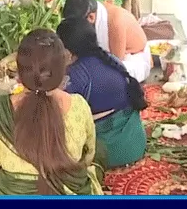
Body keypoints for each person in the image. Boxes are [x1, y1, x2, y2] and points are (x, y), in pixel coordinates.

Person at [0, 29, 104, 195]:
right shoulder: (79, 105)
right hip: (69, 190)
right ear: (62, 69)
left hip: (15, 194)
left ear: (20, 72)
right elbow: (88, 156)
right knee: (101, 150)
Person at [56, 17, 147, 168]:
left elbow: (58, 109)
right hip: (134, 141)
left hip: (110, 151)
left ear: (67, 49)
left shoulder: (77, 74)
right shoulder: (110, 58)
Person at [62, 0, 151, 83]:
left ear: (91, 17)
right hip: (112, 57)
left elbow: (116, 65)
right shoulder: (93, 10)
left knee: (102, 77)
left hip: (134, 59)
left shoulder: (115, 22)